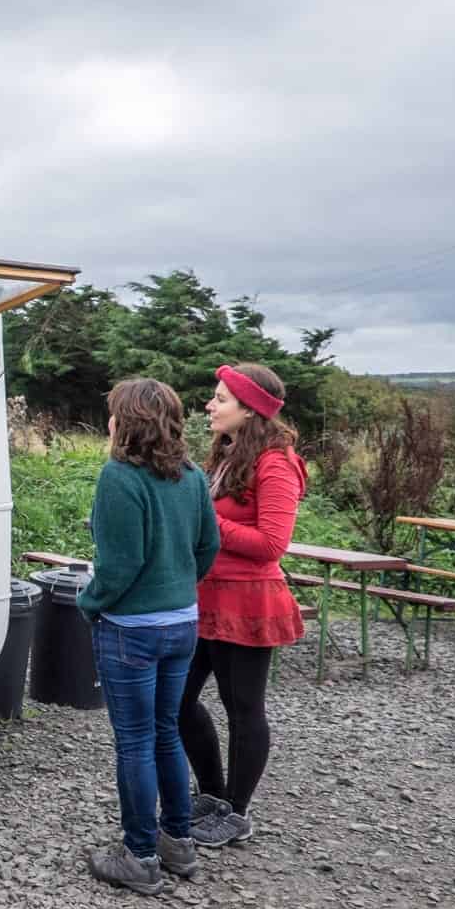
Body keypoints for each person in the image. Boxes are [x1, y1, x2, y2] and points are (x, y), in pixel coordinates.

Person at [77, 378, 220, 895]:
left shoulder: (119, 478)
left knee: (135, 741)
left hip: (131, 631)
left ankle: (138, 856)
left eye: (114, 413)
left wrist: (89, 603)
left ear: (126, 423)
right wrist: (177, 587)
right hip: (181, 623)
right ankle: (177, 842)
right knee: (164, 732)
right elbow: (209, 545)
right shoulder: (191, 475)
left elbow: (119, 567)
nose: (110, 421)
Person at [179, 363, 307, 848]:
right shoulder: (228, 455)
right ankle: (212, 794)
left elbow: (273, 543)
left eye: (220, 399)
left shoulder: (276, 462)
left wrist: (205, 522)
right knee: (178, 702)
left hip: (250, 602)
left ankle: (238, 810)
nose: (210, 406)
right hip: (205, 597)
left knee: (244, 709)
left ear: (250, 409)